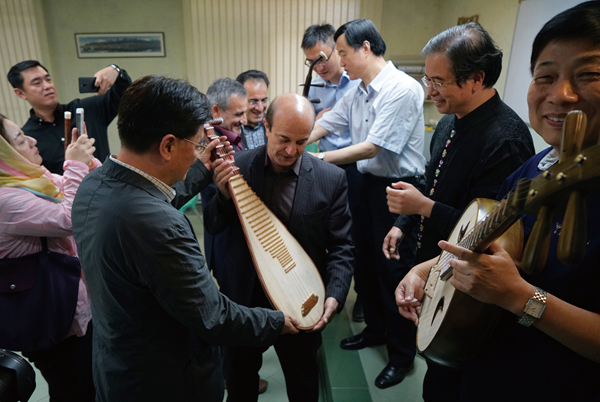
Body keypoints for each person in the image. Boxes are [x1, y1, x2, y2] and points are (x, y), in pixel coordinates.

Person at [396, 2, 600, 400]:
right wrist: (426, 269)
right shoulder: (534, 168)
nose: (561, 94)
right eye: (545, 76)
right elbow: (487, 248)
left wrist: (521, 297)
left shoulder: (505, 138)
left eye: (589, 75)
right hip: (483, 363)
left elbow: (511, 286)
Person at [71, 75, 299, 402]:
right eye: (197, 144)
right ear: (167, 145)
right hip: (166, 382)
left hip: (118, 367)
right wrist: (278, 321)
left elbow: (149, 197)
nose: (198, 153)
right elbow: (212, 316)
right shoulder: (161, 225)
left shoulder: (93, 185)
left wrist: (202, 167)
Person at [383, 22, 534, 401]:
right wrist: (404, 222)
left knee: (453, 383)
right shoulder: (450, 120)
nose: (429, 91)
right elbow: (430, 179)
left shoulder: (505, 139)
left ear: (476, 79)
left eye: (438, 82)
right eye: (427, 79)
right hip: (436, 265)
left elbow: (492, 237)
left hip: (469, 291)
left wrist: (424, 207)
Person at [204, 93, 354, 402]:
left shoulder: (331, 179)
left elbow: (342, 246)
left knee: (303, 386)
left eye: (301, 142)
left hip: (301, 299)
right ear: (266, 127)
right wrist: (223, 197)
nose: (291, 150)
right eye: (283, 139)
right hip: (244, 304)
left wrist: (335, 294)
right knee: (240, 385)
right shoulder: (236, 166)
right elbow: (213, 226)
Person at [308, 18, 426, 388]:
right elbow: (329, 123)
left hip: (398, 188)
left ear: (366, 48)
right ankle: (375, 329)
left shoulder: (401, 88)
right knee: (365, 264)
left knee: (394, 270)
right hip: (368, 185)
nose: (340, 61)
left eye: (343, 53)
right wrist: (295, 141)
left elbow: (372, 147)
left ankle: (402, 355)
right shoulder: (359, 91)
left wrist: (315, 159)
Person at [0, 113, 98, 401]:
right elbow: (72, 217)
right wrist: (76, 164)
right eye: (20, 140)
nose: (32, 140)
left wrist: (87, 163)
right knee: (73, 389)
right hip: (51, 319)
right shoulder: (5, 199)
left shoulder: (34, 178)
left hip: (73, 307)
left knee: (91, 382)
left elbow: (88, 189)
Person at [301, 23, 364, 322]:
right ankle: (329, 292)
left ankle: (361, 295)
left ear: (339, 50)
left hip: (356, 166)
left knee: (357, 234)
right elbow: (308, 126)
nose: (318, 67)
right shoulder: (314, 86)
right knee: (328, 232)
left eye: (322, 58)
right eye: (311, 62)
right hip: (325, 167)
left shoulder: (359, 83)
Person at [7, 60, 131, 174]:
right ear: (21, 93)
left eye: (48, 79)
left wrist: (115, 71)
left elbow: (126, 95)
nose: (47, 86)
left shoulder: (86, 109)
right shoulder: (29, 139)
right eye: (37, 83)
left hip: (106, 187)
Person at [236, 70, 269, 149]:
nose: (260, 108)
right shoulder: (230, 129)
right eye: (253, 102)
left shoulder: (274, 126)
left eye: (263, 100)